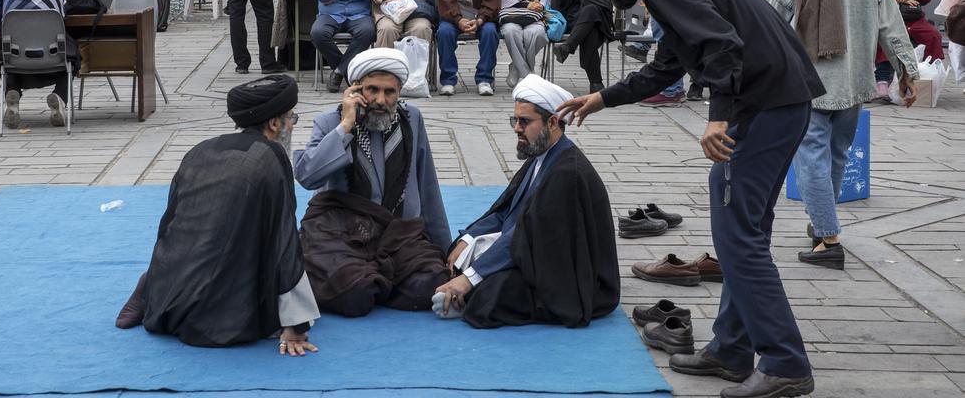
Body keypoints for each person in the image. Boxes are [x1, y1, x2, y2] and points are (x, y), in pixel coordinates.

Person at [559, 0, 824, 398]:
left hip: (764, 107)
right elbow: (667, 65)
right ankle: (731, 349)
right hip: (779, 101)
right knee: (742, 232)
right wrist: (600, 99)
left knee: (738, 236)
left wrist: (718, 117)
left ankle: (785, 362)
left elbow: (722, 45)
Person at [764, 0, 918, 272]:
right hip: (854, 81)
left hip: (808, 82)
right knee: (835, 155)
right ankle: (821, 227)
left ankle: (829, 239)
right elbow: (890, 22)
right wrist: (906, 70)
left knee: (811, 158)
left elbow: (771, 22)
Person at [115, 75, 319, 355]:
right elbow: (282, 239)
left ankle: (151, 284)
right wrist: (296, 325)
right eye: (291, 119)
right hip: (222, 314)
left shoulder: (201, 149)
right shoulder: (271, 156)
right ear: (274, 124)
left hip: (172, 295)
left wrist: (158, 280)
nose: (292, 126)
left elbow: (169, 226)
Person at [434, 75, 619, 328]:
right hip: (534, 249)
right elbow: (505, 212)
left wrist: (469, 279)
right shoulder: (541, 154)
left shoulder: (566, 174)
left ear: (552, 122)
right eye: (515, 120)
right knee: (454, 257)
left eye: (524, 121)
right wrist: (467, 238)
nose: (516, 128)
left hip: (568, 270)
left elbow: (528, 235)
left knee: (491, 295)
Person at [295, 49, 450, 316]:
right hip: (343, 234)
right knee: (355, 295)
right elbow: (308, 176)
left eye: (389, 92)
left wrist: (447, 251)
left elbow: (427, 184)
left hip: (400, 235)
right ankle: (372, 279)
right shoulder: (330, 122)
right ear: (355, 89)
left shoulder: (411, 119)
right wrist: (345, 126)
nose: (381, 100)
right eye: (372, 90)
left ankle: (380, 277)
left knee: (431, 284)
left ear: (400, 91)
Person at [0, 0, 72, 127]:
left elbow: (0, 27)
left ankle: (13, 92)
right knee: (72, 54)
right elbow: (61, 22)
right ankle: (60, 98)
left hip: (17, 63)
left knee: (5, 49)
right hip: (52, 62)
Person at [870, 0, 942, 95]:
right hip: (885, 20)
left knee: (933, 35)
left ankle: (927, 74)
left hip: (913, 20)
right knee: (885, 36)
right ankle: (882, 80)